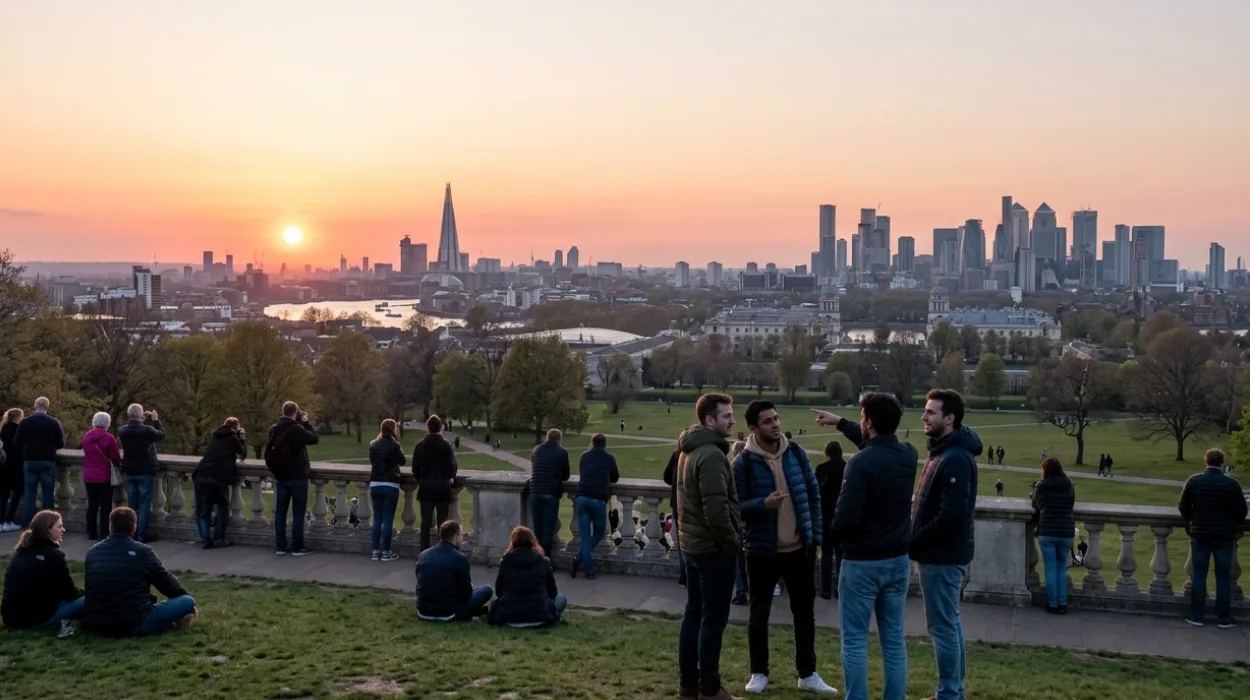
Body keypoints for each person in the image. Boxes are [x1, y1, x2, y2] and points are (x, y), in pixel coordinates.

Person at [812, 393, 917, 700]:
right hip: (898, 559)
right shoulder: (908, 454)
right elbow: (878, 444)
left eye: (861, 418)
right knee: (894, 640)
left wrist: (833, 534)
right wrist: (841, 423)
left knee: (855, 640)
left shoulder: (859, 463)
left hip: (862, 562)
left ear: (869, 422)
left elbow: (845, 517)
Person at [733, 400, 836, 695]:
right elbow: (735, 507)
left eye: (776, 419)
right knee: (758, 614)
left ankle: (807, 673)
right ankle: (758, 672)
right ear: (753, 428)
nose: (775, 424)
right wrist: (763, 505)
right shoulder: (743, 463)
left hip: (798, 550)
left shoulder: (797, 454)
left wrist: (814, 537)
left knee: (804, 614)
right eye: (767, 421)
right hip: (761, 551)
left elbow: (814, 498)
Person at [913, 389, 982, 700]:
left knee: (942, 627)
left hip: (942, 555)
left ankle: (950, 693)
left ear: (949, 418)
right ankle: (953, 691)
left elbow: (951, 516)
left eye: (930, 412)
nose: (924, 417)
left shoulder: (954, 458)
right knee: (949, 624)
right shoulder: (945, 451)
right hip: (943, 552)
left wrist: (914, 539)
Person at [676, 393, 742, 700]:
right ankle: (710, 688)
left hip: (692, 547)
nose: (732, 420)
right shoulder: (712, 455)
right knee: (712, 620)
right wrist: (733, 544)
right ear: (709, 420)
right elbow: (716, 511)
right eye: (726, 416)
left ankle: (689, 684)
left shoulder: (687, 450)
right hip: (712, 549)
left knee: (694, 613)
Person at [82, 506, 197, 637]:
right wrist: (182, 597)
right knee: (187, 601)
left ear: (110, 526)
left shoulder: (93, 552)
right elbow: (165, 581)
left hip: (96, 623)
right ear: (134, 528)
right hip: (134, 623)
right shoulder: (143, 552)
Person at [1178, 448, 1248, 628]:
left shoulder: (1194, 481)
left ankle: (1196, 616)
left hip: (1200, 534)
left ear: (1205, 461)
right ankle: (1223, 618)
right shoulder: (1232, 484)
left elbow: (1183, 507)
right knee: (1223, 577)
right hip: (1224, 535)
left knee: (1199, 575)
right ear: (1221, 462)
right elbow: (1242, 511)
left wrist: (1192, 519)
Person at [1, 510, 84, 632]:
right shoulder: (54, 555)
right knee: (90, 600)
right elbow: (69, 593)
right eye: (59, 526)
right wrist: (84, 593)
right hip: (36, 618)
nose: (64, 530)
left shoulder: (21, 551)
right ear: (48, 530)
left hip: (10, 617)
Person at [264, 401, 320, 556]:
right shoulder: (296, 429)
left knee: (280, 513)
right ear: (295, 412)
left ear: (283, 411)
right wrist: (306, 423)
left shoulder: (274, 429)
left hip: (281, 475)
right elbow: (314, 438)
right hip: (297, 475)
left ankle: (280, 546)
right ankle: (297, 547)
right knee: (298, 513)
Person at [488, 525, 567, 628]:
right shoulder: (543, 561)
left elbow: (499, 591)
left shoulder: (506, 561)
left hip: (509, 616)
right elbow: (553, 593)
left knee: (493, 598)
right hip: (540, 616)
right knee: (561, 598)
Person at [415, 520, 493, 622]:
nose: (463, 538)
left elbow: (419, 582)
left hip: (424, 611)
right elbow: (466, 595)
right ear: (455, 538)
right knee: (487, 590)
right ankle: (472, 612)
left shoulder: (423, 555)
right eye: (461, 535)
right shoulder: (460, 558)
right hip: (448, 612)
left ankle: (475, 611)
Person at [572, 433, 619, 580]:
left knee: (585, 537)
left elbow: (583, 472)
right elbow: (615, 477)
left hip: (582, 497)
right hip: (598, 499)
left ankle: (581, 560)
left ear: (592, 442)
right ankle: (586, 567)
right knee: (599, 533)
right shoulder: (609, 457)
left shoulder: (584, 456)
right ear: (604, 444)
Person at [194, 417, 246, 549]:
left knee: (203, 512)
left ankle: (206, 539)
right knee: (223, 508)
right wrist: (242, 439)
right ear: (235, 427)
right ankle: (219, 537)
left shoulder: (215, 437)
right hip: (218, 478)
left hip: (202, 475)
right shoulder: (233, 438)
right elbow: (242, 454)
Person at [1032, 457, 1076, 614]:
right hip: (1066, 530)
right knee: (1061, 568)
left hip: (1048, 530)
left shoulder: (1042, 486)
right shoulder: (1069, 484)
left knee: (1050, 569)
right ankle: (1062, 603)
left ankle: (1053, 604)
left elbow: (1035, 505)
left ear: (1046, 470)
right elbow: (1071, 503)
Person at [117, 403, 166, 543]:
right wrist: (156, 420)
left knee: (132, 505)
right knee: (144, 504)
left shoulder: (122, 430)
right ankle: (142, 534)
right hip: (145, 471)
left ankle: (131, 532)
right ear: (140, 415)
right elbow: (161, 434)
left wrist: (142, 420)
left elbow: (137, 429)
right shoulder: (147, 430)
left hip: (129, 471)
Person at [14, 397, 65, 526]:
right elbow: (60, 443)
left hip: (29, 460)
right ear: (47, 407)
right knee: (47, 494)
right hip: (47, 461)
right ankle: (48, 524)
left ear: (35, 406)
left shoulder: (25, 422)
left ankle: (29, 523)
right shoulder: (54, 422)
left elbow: (17, 442)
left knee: (30, 494)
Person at [413, 415, 457, 552]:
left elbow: (415, 469)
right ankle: (442, 551)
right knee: (442, 524)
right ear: (440, 427)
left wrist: (423, 478)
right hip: (443, 488)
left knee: (425, 523)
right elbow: (452, 467)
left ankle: (424, 551)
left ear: (428, 427)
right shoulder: (446, 445)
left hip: (426, 488)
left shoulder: (420, 445)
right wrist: (448, 477)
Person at [529, 428, 570, 557]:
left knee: (537, 527)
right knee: (548, 529)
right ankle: (545, 558)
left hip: (535, 490)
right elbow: (566, 475)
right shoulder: (562, 452)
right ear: (559, 439)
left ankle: (535, 555)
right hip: (551, 492)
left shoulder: (537, 450)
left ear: (547, 437)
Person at [80, 412, 121, 541]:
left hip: (89, 475)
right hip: (104, 475)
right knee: (105, 505)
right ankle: (104, 532)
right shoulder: (109, 438)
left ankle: (91, 532)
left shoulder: (87, 437)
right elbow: (115, 457)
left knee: (92, 504)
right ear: (107, 423)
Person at [370, 418, 407, 561]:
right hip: (390, 484)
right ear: (393, 429)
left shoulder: (373, 444)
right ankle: (386, 552)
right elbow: (402, 461)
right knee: (387, 519)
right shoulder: (394, 445)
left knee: (377, 519)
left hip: (375, 483)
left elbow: (373, 461)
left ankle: (375, 551)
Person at [814, 441, 845, 600]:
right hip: (842, 517)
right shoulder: (847, 468)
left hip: (825, 517)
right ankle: (840, 589)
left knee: (826, 553)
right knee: (841, 555)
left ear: (827, 453)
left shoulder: (821, 469)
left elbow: (815, 493)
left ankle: (825, 590)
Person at [729, 439, 749, 606]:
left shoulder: (732, 468)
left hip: (738, 518)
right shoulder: (754, 467)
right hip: (751, 517)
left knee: (738, 558)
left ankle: (741, 591)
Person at [663, 448, 685, 586]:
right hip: (695, 504)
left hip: (678, 502)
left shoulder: (677, 453)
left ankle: (684, 577)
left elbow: (666, 477)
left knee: (682, 543)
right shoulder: (701, 453)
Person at [0, 408, 23, 532]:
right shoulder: (18, 429)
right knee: (18, 491)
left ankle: (1, 521)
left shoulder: (4, 428)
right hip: (15, 464)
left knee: (3, 494)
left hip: (3, 464)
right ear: (17, 417)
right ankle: (9, 520)